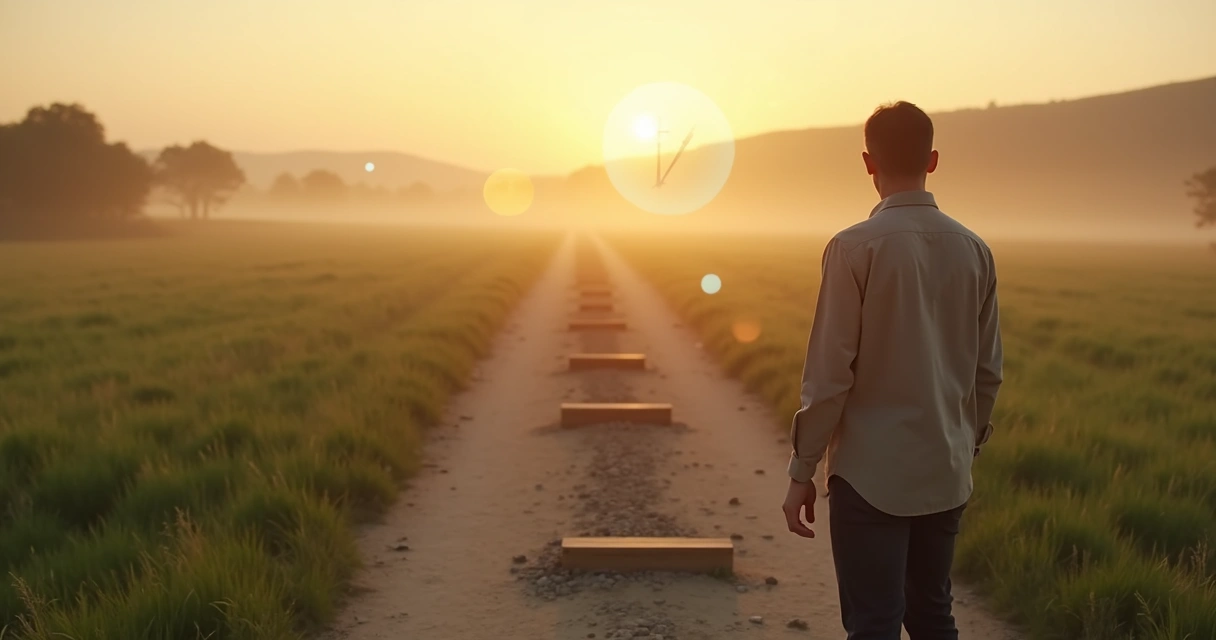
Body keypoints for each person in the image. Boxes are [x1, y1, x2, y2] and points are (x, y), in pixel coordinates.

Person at [779, 101, 1003, 639]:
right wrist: (964, 443)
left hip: (868, 474)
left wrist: (801, 471)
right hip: (946, 469)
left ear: (867, 162)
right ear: (932, 160)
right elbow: (987, 373)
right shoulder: (976, 250)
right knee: (933, 616)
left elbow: (830, 378)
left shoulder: (852, 248)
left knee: (873, 623)